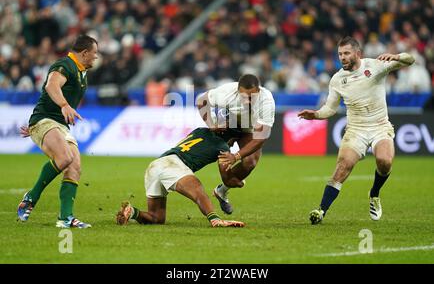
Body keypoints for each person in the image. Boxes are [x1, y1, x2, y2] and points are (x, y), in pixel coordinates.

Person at [298, 36, 415, 224]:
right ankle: (321, 211)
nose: (342, 57)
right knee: (342, 168)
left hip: (379, 126)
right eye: (340, 54)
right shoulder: (337, 79)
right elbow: (331, 107)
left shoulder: (376, 65)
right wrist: (316, 115)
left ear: (357, 53)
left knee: (384, 161)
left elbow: (411, 60)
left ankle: (374, 193)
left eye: (346, 53)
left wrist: (396, 56)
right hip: (356, 129)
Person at [17, 34, 98, 228]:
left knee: (75, 166)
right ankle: (31, 197)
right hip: (45, 121)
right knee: (65, 157)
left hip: (59, 126)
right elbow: (51, 85)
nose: (96, 57)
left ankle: (65, 218)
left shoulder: (82, 72)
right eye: (94, 53)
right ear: (85, 53)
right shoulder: (65, 65)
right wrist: (63, 105)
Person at [116, 127, 245, 228]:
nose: (233, 145)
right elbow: (226, 177)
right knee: (198, 192)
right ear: (230, 136)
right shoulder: (223, 147)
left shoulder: (200, 130)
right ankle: (216, 220)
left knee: (156, 218)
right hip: (175, 165)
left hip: (156, 165)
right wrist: (235, 182)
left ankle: (131, 212)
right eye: (234, 141)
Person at [196, 74, 275, 215]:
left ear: (259, 91)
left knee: (250, 162)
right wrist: (212, 124)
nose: (248, 101)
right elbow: (201, 100)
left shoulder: (266, 101)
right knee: (221, 164)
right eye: (245, 96)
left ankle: (222, 190)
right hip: (228, 124)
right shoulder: (226, 92)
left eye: (252, 97)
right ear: (237, 91)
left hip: (248, 129)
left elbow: (261, 138)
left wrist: (236, 156)